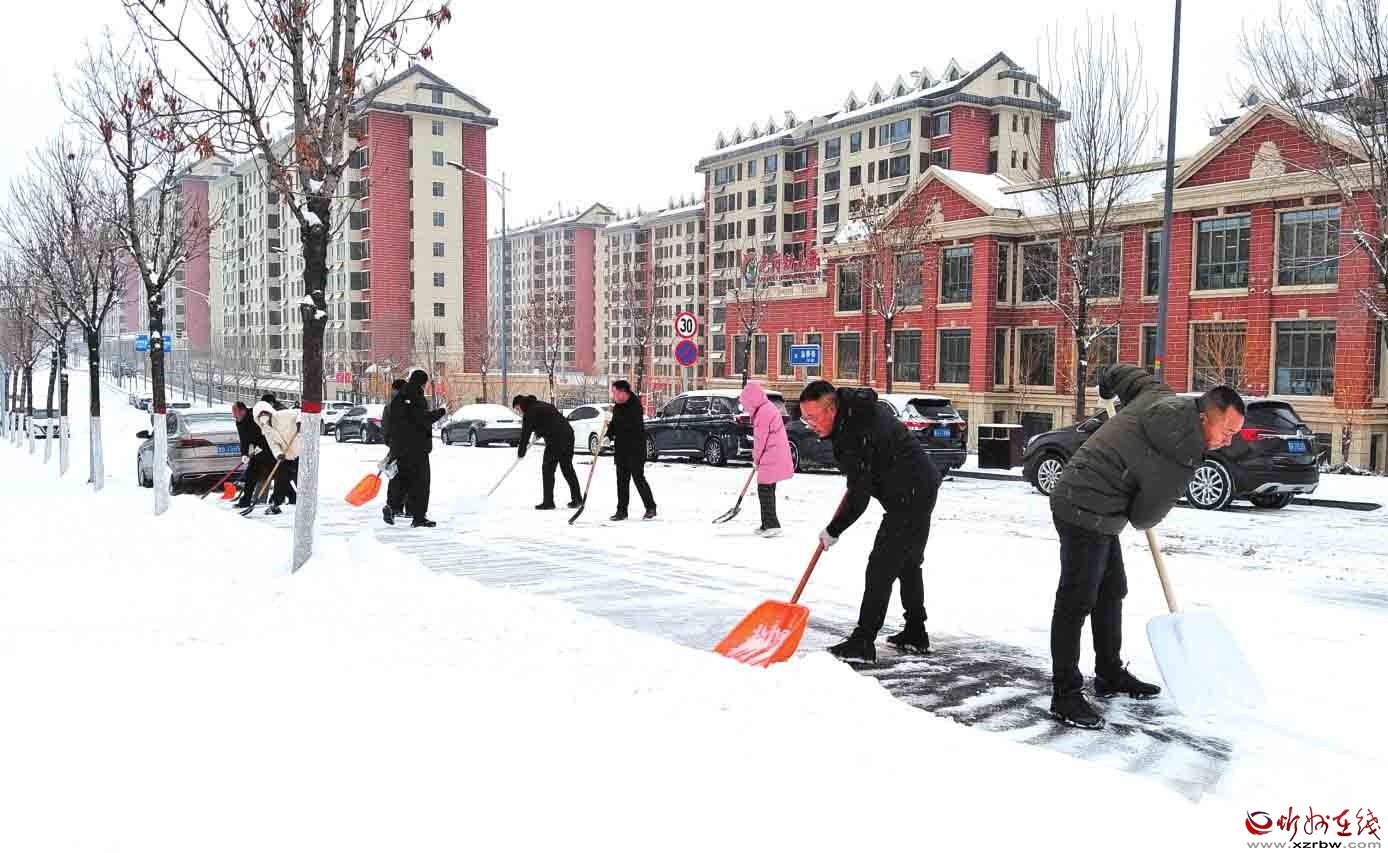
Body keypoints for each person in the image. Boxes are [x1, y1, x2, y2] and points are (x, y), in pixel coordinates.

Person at [1046, 365, 1246, 729]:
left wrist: (1106, 385)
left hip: (1097, 502)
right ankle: (1065, 695)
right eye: (1227, 432)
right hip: (1080, 505)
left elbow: (1123, 373)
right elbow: (1143, 517)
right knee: (1077, 600)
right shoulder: (1180, 460)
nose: (1228, 441)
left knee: (1112, 591)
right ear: (1204, 418)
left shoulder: (1159, 395)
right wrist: (1143, 487)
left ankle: (1109, 673)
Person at [798, 380, 941, 663]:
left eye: (813, 417)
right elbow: (862, 478)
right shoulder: (855, 413)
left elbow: (859, 495)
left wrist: (834, 530)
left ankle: (863, 641)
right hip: (920, 485)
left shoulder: (853, 431)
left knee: (881, 567)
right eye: (805, 419)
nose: (810, 425)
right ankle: (915, 631)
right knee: (908, 563)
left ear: (831, 409)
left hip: (909, 495)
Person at [383, 369, 446, 528]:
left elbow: (393, 422)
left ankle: (392, 506)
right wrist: (440, 412)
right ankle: (418, 517)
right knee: (421, 483)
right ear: (423, 383)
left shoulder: (399, 397)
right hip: (417, 448)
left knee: (402, 479)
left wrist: (393, 444)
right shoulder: (417, 396)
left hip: (400, 448)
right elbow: (422, 420)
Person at [740, 381, 793, 537]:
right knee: (768, 490)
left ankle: (772, 525)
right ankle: (767, 524)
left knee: (764, 490)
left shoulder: (763, 413)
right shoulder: (767, 408)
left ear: (752, 400)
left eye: (746, 404)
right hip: (774, 454)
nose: (746, 407)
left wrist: (756, 459)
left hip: (770, 455)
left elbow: (760, 440)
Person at [513, 394, 582, 510]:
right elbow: (548, 421)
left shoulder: (529, 412)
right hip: (568, 434)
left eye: (517, 409)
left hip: (556, 439)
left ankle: (548, 502)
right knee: (567, 468)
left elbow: (525, 434)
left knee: (548, 469)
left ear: (520, 405)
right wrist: (539, 432)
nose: (519, 412)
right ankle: (577, 499)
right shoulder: (541, 405)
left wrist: (521, 452)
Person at [606, 380, 656, 521]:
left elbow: (626, 426)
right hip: (621, 449)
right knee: (621, 481)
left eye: (615, 392)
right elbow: (615, 424)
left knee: (638, 479)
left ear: (623, 392)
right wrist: (608, 435)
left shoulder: (635, 406)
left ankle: (651, 507)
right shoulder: (617, 406)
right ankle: (621, 511)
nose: (613, 395)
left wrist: (613, 422)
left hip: (635, 449)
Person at [252, 400, 302, 515]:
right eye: (260, 415)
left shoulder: (283, 415)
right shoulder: (266, 429)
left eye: (264, 413)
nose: (263, 416)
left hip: (300, 451)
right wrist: (278, 454)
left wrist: (299, 422)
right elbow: (273, 445)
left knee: (300, 480)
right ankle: (276, 504)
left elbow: (300, 412)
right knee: (280, 479)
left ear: (270, 412)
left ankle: (306, 502)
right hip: (286, 455)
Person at [232, 401, 273, 509]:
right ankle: (245, 500)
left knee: (278, 474)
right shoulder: (239, 422)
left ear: (243, 411)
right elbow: (243, 439)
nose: (235, 416)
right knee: (251, 474)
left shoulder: (255, 416)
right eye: (234, 414)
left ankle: (291, 497)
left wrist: (262, 445)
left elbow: (267, 431)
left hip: (271, 447)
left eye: (236, 413)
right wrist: (244, 454)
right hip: (257, 450)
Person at [381, 378, 410, 516]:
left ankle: (394, 506)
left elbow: (385, 428)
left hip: (396, 447)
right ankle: (404, 507)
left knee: (396, 477)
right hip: (407, 447)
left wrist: (391, 444)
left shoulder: (389, 406)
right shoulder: (408, 404)